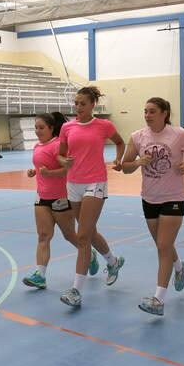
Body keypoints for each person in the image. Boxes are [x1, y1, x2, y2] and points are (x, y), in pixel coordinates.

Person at [120, 98, 184, 316]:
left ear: (164, 113)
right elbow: (125, 168)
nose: (148, 115)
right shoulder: (137, 137)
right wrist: (138, 162)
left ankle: (158, 299)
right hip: (149, 198)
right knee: (163, 245)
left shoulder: (179, 135)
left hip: (173, 198)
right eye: (145, 111)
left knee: (162, 246)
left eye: (152, 111)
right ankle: (179, 267)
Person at [57, 86, 126, 308]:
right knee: (90, 232)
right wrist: (62, 161)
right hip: (73, 184)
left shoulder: (104, 126)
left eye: (83, 104)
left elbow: (120, 142)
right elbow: (60, 153)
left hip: (95, 181)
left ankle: (76, 290)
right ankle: (113, 262)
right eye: (76, 103)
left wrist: (118, 159)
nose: (78, 107)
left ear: (92, 104)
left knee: (83, 235)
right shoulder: (67, 127)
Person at [23, 113, 79, 289]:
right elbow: (41, 165)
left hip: (60, 197)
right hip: (41, 197)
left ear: (51, 128)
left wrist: (49, 174)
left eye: (41, 128)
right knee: (43, 235)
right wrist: (35, 171)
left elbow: (67, 170)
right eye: (36, 128)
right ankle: (40, 275)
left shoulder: (58, 146)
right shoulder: (37, 146)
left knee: (69, 235)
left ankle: (89, 253)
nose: (38, 131)